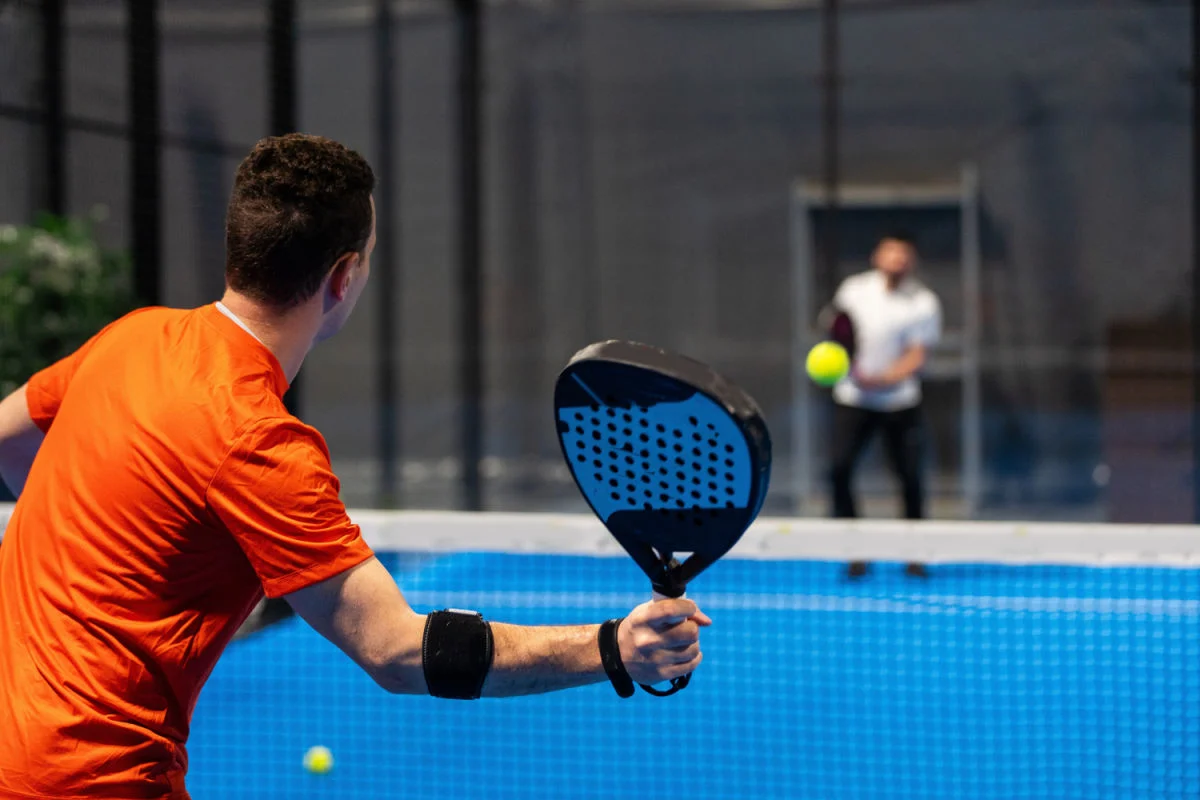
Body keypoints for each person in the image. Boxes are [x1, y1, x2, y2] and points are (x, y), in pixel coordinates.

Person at [0, 134, 708, 800]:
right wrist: (614, 647)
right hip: (86, 778)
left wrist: (107, 531)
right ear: (343, 277)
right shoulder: (260, 445)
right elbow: (397, 651)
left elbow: (7, 442)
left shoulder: (131, 338)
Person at [824, 232, 942, 579]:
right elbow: (838, 334)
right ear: (878, 256)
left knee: (909, 477)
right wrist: (854, 372)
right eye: (891, 252)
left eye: (904, 254)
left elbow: (918, 354)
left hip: (899, 403)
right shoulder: (853, 290)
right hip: (853, 400)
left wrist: (885, 378)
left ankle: (914, 554)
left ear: (911, 260)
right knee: (839, 470)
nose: (897, 259)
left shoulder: (923, 302)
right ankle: (855, 552)